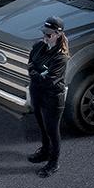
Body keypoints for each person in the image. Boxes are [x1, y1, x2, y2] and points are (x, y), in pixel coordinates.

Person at [27, 19, 66, 177]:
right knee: (42, 126)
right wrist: (39, 73)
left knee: (52, 130)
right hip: (37, 92)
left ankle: (54, 162)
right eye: (44, 33)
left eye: (49, 34)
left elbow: (49, 80)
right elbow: (30, 65)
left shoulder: (61, 58)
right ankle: (44, 151)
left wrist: (37, 73)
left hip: (53, 97)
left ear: (58, 34)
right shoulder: (38, 46)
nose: (45, 37)